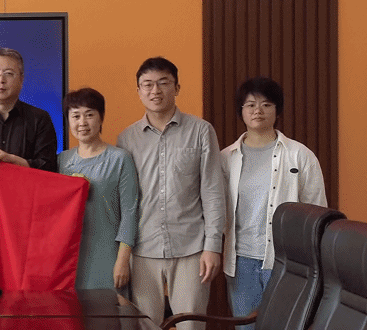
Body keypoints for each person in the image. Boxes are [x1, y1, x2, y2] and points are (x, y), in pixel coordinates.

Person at [116, 57, 225, 330]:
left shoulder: (201, 131)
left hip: (191, 248)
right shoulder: (127, 138)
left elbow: (212, 191)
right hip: (143, 248)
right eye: (147, 84)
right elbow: (126, 201)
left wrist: (213, 246)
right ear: (138, 91)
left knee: (191, 325)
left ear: (177, 88)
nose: (155, 91)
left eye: (163, 83)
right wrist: (123, 254)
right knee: (145, 326)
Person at [221, 77, 327, 326]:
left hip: (286, 261)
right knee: (245, 326)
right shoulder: (225, 158)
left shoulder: (300, 155)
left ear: (277, 110)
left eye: (266, 104)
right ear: (241, 112)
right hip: (240, 261)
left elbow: (317, 211)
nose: (258, 110)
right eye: (250, 105)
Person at [57, 88, 138, 292]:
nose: (82, 123)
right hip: (69, 258)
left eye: (89, 115)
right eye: (75, 116)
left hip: (108, 255)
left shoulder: (120, 159)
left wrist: (123, 260)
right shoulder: (61, 161)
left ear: (101, 118)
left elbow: (130, 213)